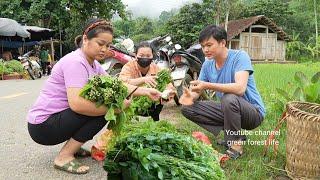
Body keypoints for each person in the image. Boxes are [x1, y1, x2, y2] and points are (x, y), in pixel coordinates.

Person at [26, 18, 161, 174]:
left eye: (108, 46)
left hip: (56, 121)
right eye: (100, 43)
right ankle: (64, 156)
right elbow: (77, 105)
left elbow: (117, 85)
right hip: (43, 127)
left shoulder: (93, 64)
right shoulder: (76, 62)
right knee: (104, 110)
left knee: (103, 107)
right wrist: (116, 109)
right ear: (85, 39)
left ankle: (74, 148)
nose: (104, 49)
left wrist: (146, 91)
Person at [180, 25, 266, 159]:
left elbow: (240, 88)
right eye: (203, 46)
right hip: (229, 109)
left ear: (223, 43)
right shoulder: (208, 65)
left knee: (229, 98)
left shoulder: (239, 57)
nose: (205, 50)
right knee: (187, 109)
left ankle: (236, 144)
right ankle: (231, 135)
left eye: (209, 45)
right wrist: (190, 96)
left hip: (252, 113)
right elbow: (198, 88)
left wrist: (207, 85)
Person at [119, 41, 176, 121]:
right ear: (136, 56)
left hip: (151, 101)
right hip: (132, 101)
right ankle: (128, 119)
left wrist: (167, 93)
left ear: (152, 56)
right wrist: (143, 80)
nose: (145, 58)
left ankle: (155, 118)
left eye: (148, 55)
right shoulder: (129, 66)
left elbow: (169, 85)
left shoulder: (156, 68)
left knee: (160, 93)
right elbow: (122, 83)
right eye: (141, 55)